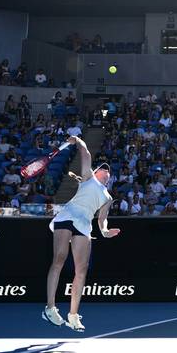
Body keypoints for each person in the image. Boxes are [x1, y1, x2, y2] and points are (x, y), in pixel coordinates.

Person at [42, 136, 120, 332]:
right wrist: (78, 140)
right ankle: (50, 309)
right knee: (59, 258)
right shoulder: (88, 177)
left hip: (84, 225)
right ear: (96, 171)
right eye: (103, 168)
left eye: (108, 170)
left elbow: (102, 219)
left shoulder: (108, 197)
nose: (106, 170)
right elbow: (85, 153)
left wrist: (104, 231)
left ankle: (73, 315)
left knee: (82, 270)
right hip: (68, 216)